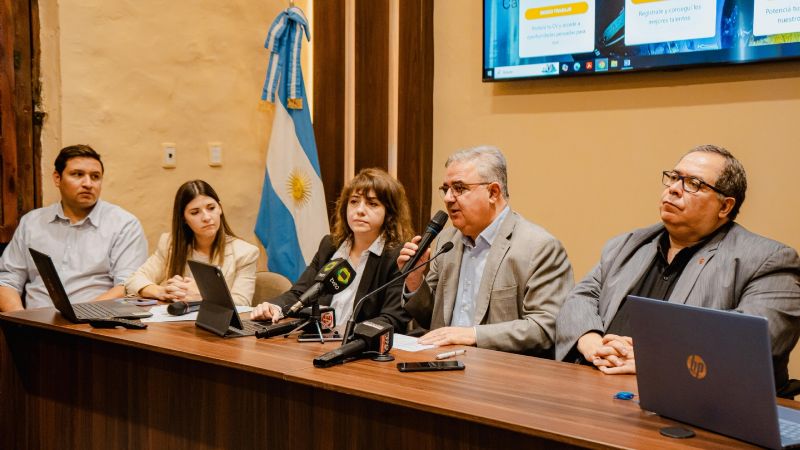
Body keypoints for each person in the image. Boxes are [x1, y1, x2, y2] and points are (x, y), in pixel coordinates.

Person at [555, 145, 800, 394]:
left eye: (693, 183)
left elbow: (751, 341)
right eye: (674, 177)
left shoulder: (768, 260)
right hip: (600, 389)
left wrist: (654, 360)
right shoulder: (627, 245)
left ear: (725, 207)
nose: (673, 188)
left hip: (697, 403)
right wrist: (592, 342)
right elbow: (580, 298)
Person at [398, 146, 574, 355]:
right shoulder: (447, 241)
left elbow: (545, 327)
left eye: (459, 188)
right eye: (446, 189)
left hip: (502, 369)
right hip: (441, 363)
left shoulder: (538, 247)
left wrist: (473, 335)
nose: (448, 198)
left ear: (493, 192)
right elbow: (430, 319)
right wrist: (415, 280)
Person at [251, 168, 414, 332]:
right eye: (354, 201)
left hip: (360, 343)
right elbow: (299, 294)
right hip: (320, 338)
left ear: (389, 213)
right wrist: (274, 307)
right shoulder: (330, 246)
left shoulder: (398, 257)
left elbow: (392, 318)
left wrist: (347, 334)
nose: (360, 210)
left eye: (372, 204)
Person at [0, 145, 147, 312]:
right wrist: (20, 319)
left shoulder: (124, 224)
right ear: (57, 178)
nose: (88, 184)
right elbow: (7, 280)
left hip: (95, 322)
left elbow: (127, 287)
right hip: (34, 323)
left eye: (95, 177)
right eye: (77, 174)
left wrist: (76, 317)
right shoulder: (32, 222)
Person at [125, 180, 258, 306]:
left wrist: (204, 295)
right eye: (195, 212)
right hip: (175, 321)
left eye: (211, 208)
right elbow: (133, 281)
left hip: (216, 322)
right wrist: (163, 291)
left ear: (220, 208)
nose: (206, 217)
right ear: (184, 218)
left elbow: (243, 303)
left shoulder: (245, 253)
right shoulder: (170, 244)